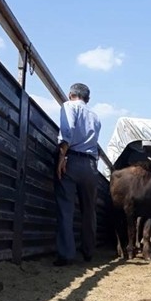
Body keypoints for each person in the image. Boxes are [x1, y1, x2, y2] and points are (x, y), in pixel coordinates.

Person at [54, 83, 102, 266]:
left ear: (70, 94)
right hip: (91, 165)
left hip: (71, 160)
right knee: (89, 210)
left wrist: (62, 156)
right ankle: (89, 252)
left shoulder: (68, 106)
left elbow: (68, 131)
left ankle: (66, 255)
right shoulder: (96, 117)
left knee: (65, 208)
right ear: (87, 98)